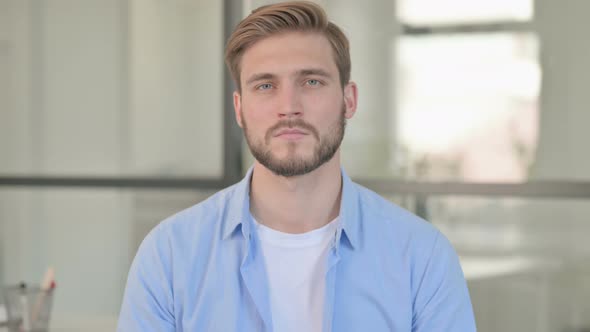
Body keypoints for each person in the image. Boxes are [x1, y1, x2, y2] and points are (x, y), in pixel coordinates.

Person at [117, 1, 476, 331]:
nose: (289, 106)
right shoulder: (169, 255)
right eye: (265, 85)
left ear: (348, 100)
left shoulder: (422, 257)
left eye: (311, 81)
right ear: (239, 109)